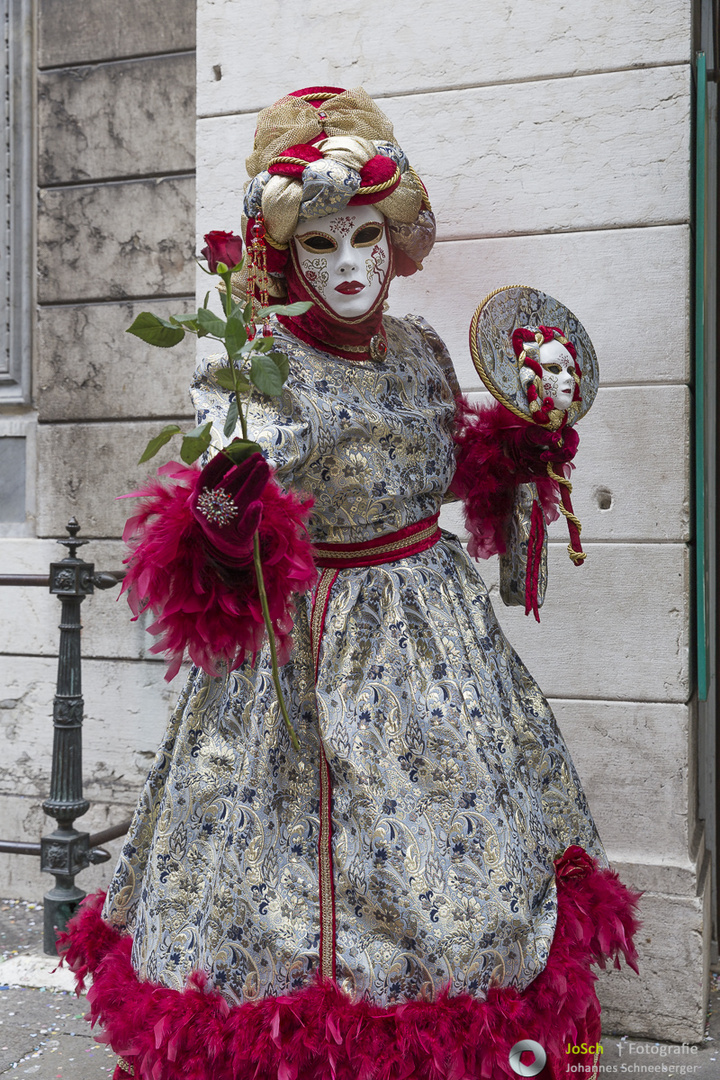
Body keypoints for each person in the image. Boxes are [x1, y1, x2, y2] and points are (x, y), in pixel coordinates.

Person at [61, 86, 639, 1080]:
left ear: (395, 239)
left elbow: (451, 476)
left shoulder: (420, 353)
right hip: (307, 656)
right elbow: (215, 572)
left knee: (462, 854)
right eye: (319, 245)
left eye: (364, 237)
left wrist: (519, 444)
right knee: (289, 869)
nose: (348, 265)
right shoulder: (253, 373)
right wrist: (223, 520)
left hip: (436, 643)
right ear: (282, 257)